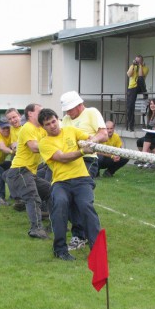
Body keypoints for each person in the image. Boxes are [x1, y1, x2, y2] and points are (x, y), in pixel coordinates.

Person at [38, 108, 102, 261]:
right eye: (48, 124)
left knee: (86, 206)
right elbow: (62, 157)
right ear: (43, 127)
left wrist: (92, 141)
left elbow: (90, 137)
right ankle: (60, 250)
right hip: (61, 182)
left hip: (82, 179)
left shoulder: (71, 130)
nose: (52, 126)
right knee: (60, 204)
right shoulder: (44, 143)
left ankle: (97, 250)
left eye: (54, 121)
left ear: (57, 119)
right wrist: (82, 151)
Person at [60, 91, 108, 251]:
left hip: (88, 160)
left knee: (82, 199)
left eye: (70, 109)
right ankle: (79, 234)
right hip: (70, 160)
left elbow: (103, 134)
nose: (68, 112)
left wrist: (90, 142)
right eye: (66, 110)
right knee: (67, 198)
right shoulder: (66, 120)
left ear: (79, 105)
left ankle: (83, 236)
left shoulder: (91, 113)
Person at [3, 103, 51, 239]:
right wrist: (51, 148)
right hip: (20, 170)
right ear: (30, 114)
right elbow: (34, 147)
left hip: (30, 173)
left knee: (51, 191)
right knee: (33, 198)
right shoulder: (28, 128)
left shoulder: (41, 129)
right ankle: (36, 229)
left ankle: (55, 224)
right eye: (40, 111)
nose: (43, 113)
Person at [135, 98, 155, 165]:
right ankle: (149, 159)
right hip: (151, 134)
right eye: (151, 104)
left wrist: (153, 130)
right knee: (139, 141)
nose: (152, 105)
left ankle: (143, 158)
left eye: (154, 104)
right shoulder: (149, 114)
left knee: (148, 137)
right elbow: (149, 126)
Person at [126, 55, 149, 131]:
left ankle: (145, 92)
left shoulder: (145, 68)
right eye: (136, 61)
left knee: (140, 78)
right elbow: (129, 75)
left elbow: (141, 76)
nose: (137, 62)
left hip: (140, 86)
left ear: (142, 61)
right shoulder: (132, 66)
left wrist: (140, 66)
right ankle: (131, 125)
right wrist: (133, 65)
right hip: (132, 87)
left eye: (138, 61)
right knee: (130, 107)